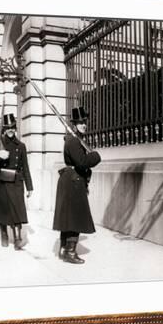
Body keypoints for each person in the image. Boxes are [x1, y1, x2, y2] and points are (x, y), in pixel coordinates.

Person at [53, 107, 101, 264]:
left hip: (72, 180)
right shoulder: (74, 141)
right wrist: (95, 157)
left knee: (68, 216)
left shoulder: (76, 139)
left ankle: (63, 249)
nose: (83, 125)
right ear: (74, 124)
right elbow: (81, 163)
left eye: (84, 122)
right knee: (76, 216)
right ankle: (70, 252)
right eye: (80, 122)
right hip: (74, 181)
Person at [0, 113, 33, 250]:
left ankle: (17, 238)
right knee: (2, 211)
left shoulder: (21, 146)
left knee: (17, 210)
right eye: (8, 128)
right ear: (4, 129)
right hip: (1, 182)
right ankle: (4, 234)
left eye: (13, 127)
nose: (10, 130)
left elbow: (26, 167)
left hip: (16, 180)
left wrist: (29, 186)